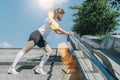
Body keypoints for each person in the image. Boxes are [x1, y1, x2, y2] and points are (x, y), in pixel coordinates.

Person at [8, 8, 74, 74]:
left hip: (41, 38)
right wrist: (67, 33)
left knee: (49, 51)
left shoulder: (55, 22)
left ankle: (39, 68)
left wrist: (66, 33)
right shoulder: (50, 19)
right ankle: (12, 68)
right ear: (59, 13)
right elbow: (57, 28)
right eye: (62, 15)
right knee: (24, 51)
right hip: (36, 35)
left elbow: (57, 32)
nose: (62, 16)